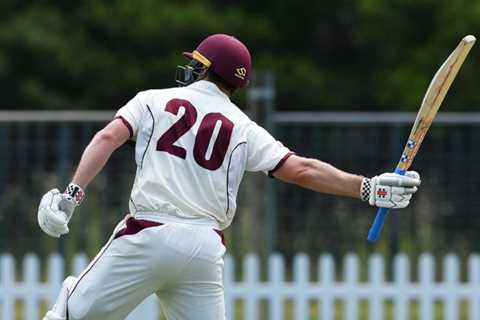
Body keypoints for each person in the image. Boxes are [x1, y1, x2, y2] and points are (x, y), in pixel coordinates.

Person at [37, 34, 421, 320]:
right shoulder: (243, 125)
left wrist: (71, 197)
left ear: (203, 68)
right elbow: (301, 169)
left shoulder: (152, 99)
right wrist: (367, 187)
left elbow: (107, 138)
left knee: (66, 316)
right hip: (204, 250)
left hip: (147, 235)